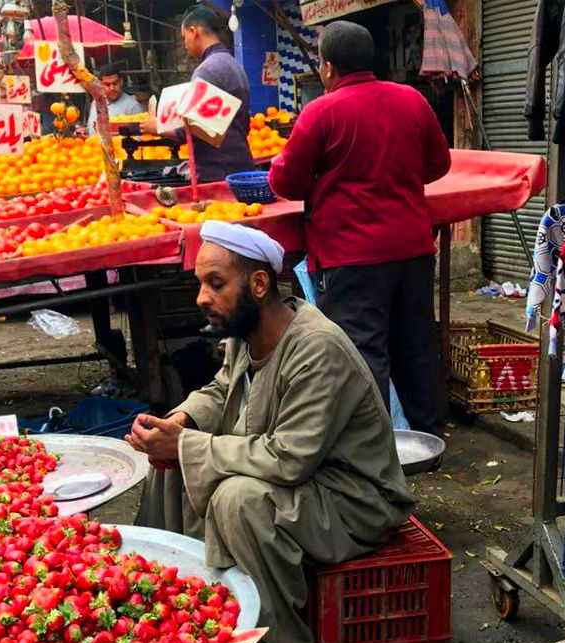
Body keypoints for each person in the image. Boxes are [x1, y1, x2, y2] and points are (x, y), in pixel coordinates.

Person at [130, 221, 413, 643]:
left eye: (215, 284)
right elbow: (223, 389)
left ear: (258, 285)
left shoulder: (316, 348)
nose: (201, 297)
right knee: (171, 460)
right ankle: (171, 598)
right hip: (304, 480)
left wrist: (188, 445)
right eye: (201, 283)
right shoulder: (248, 331)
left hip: (356, 501)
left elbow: (288, 459)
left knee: (237, 498)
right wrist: (179, 421)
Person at [268, 21, 452, 435]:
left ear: (328, 67)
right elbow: (439, 164)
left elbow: (287, 181)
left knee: (362, 356)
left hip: (352, 258)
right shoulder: (412, 100)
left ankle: (373, 457)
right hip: (413, 251)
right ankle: (429, 441)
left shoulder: (322, 111)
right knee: (416, 350)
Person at [140, 5, 254, 182]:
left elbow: (195, 129)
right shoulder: (234, 66)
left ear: (194, 32)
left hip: (217, 173)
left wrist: (157, 126)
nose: (185, 45)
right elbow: (243, 124)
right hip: (240, 165)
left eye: (184, 37)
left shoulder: (207, 70)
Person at [86, 63, 144, 136]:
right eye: (107, 85)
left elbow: (140, 137)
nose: (112, 88)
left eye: (115, 83)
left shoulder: (132, 106)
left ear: (121, 82)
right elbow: (90, 129)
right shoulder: (95, 103)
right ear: (101, 85)